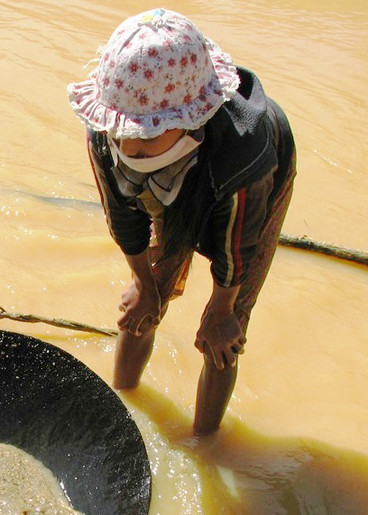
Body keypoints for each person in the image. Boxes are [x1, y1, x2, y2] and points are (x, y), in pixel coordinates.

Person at [67, 8, 296, 434]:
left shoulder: (243, 156)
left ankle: (205, 444)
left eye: (148, 132)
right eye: (124, 133)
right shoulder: (105, 129)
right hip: (174, 179)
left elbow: (238, 248)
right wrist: (143, 281)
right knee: (145, 300)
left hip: (242, 191)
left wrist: (223, 307)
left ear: (194, 119)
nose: (130, 145)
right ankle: (123, 407)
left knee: (224, 335)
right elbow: (122, 217)